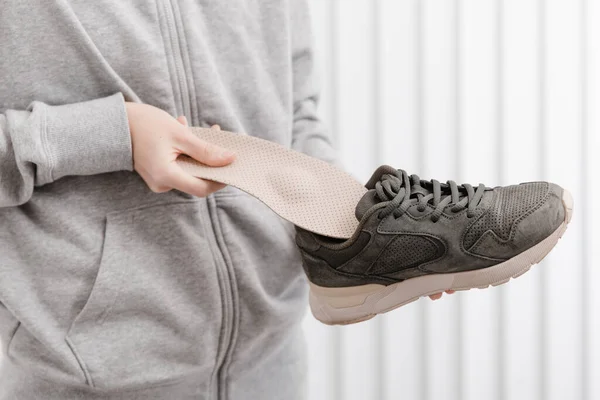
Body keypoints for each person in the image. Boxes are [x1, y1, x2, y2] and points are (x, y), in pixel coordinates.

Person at [0, 2, 450, 399]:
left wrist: (359, 223)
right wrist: (116, 134)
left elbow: (294, 113)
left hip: (273, 365)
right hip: (85, 376)